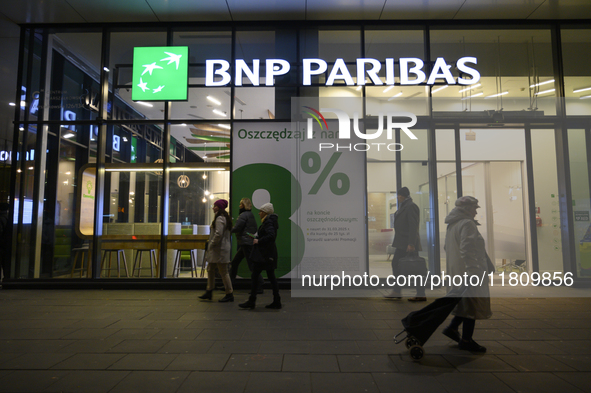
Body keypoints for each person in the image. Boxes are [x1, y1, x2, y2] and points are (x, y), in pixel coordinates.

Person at [441, 196, 493, 353]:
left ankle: (452, 327)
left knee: (465, 304)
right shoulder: (467, 224)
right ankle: (466, 340)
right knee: (472, 306)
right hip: (469, 271)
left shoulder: (453, 224)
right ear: (467, 209)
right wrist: (473, 272)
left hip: (458, 271)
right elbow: (468, 249)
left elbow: (447, 247)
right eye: (474, 209)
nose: (475, 212)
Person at [239, 202, 281, 310]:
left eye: (261, 211)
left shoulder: (269, 222)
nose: (259, 213)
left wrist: (258, 241)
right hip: (267, 254)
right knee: (271, 277)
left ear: (265, 212)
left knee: (256, 276)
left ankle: (252, 301)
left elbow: (271, 236)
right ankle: (276, 301)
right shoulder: (269, 221)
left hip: (264, 255)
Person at [386, 187, 426, 301]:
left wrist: (411, 243)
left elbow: (413, 226)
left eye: (398, 195)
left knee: (413, 268)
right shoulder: (404, 206)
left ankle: (403, 292)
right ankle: (401, 291)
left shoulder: (410, 206)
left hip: (407, 243)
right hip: (403, 243)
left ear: (403, 195)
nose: (397, 197)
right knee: (406, 267)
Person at [199, 199, 234, 302]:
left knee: (223, 271)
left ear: (219, 207)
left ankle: (229, 293)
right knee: (210, 268)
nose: (213, 207)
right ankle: (209, 290)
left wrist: (212, 244)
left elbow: (218, 234)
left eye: (215, 206)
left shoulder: (219, 219)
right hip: (219, 250)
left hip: (219, 249)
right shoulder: (224, 218)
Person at [230, 197, 264, 293]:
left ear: (244, 205)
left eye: (241, 204)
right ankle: (229, 284)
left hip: (245, 243)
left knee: (251, 265)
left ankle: (260, 284)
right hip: (246, 242)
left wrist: (227, 228)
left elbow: (237, 228)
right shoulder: (250, 215)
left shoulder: (243, 215)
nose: (239, 206)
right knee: (235, 262)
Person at [0, 202, 10, 280]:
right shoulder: (8, 218)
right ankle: (6, 279)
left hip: (1, 245)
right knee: (6, 264)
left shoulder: (1, 218)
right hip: (6, 245)